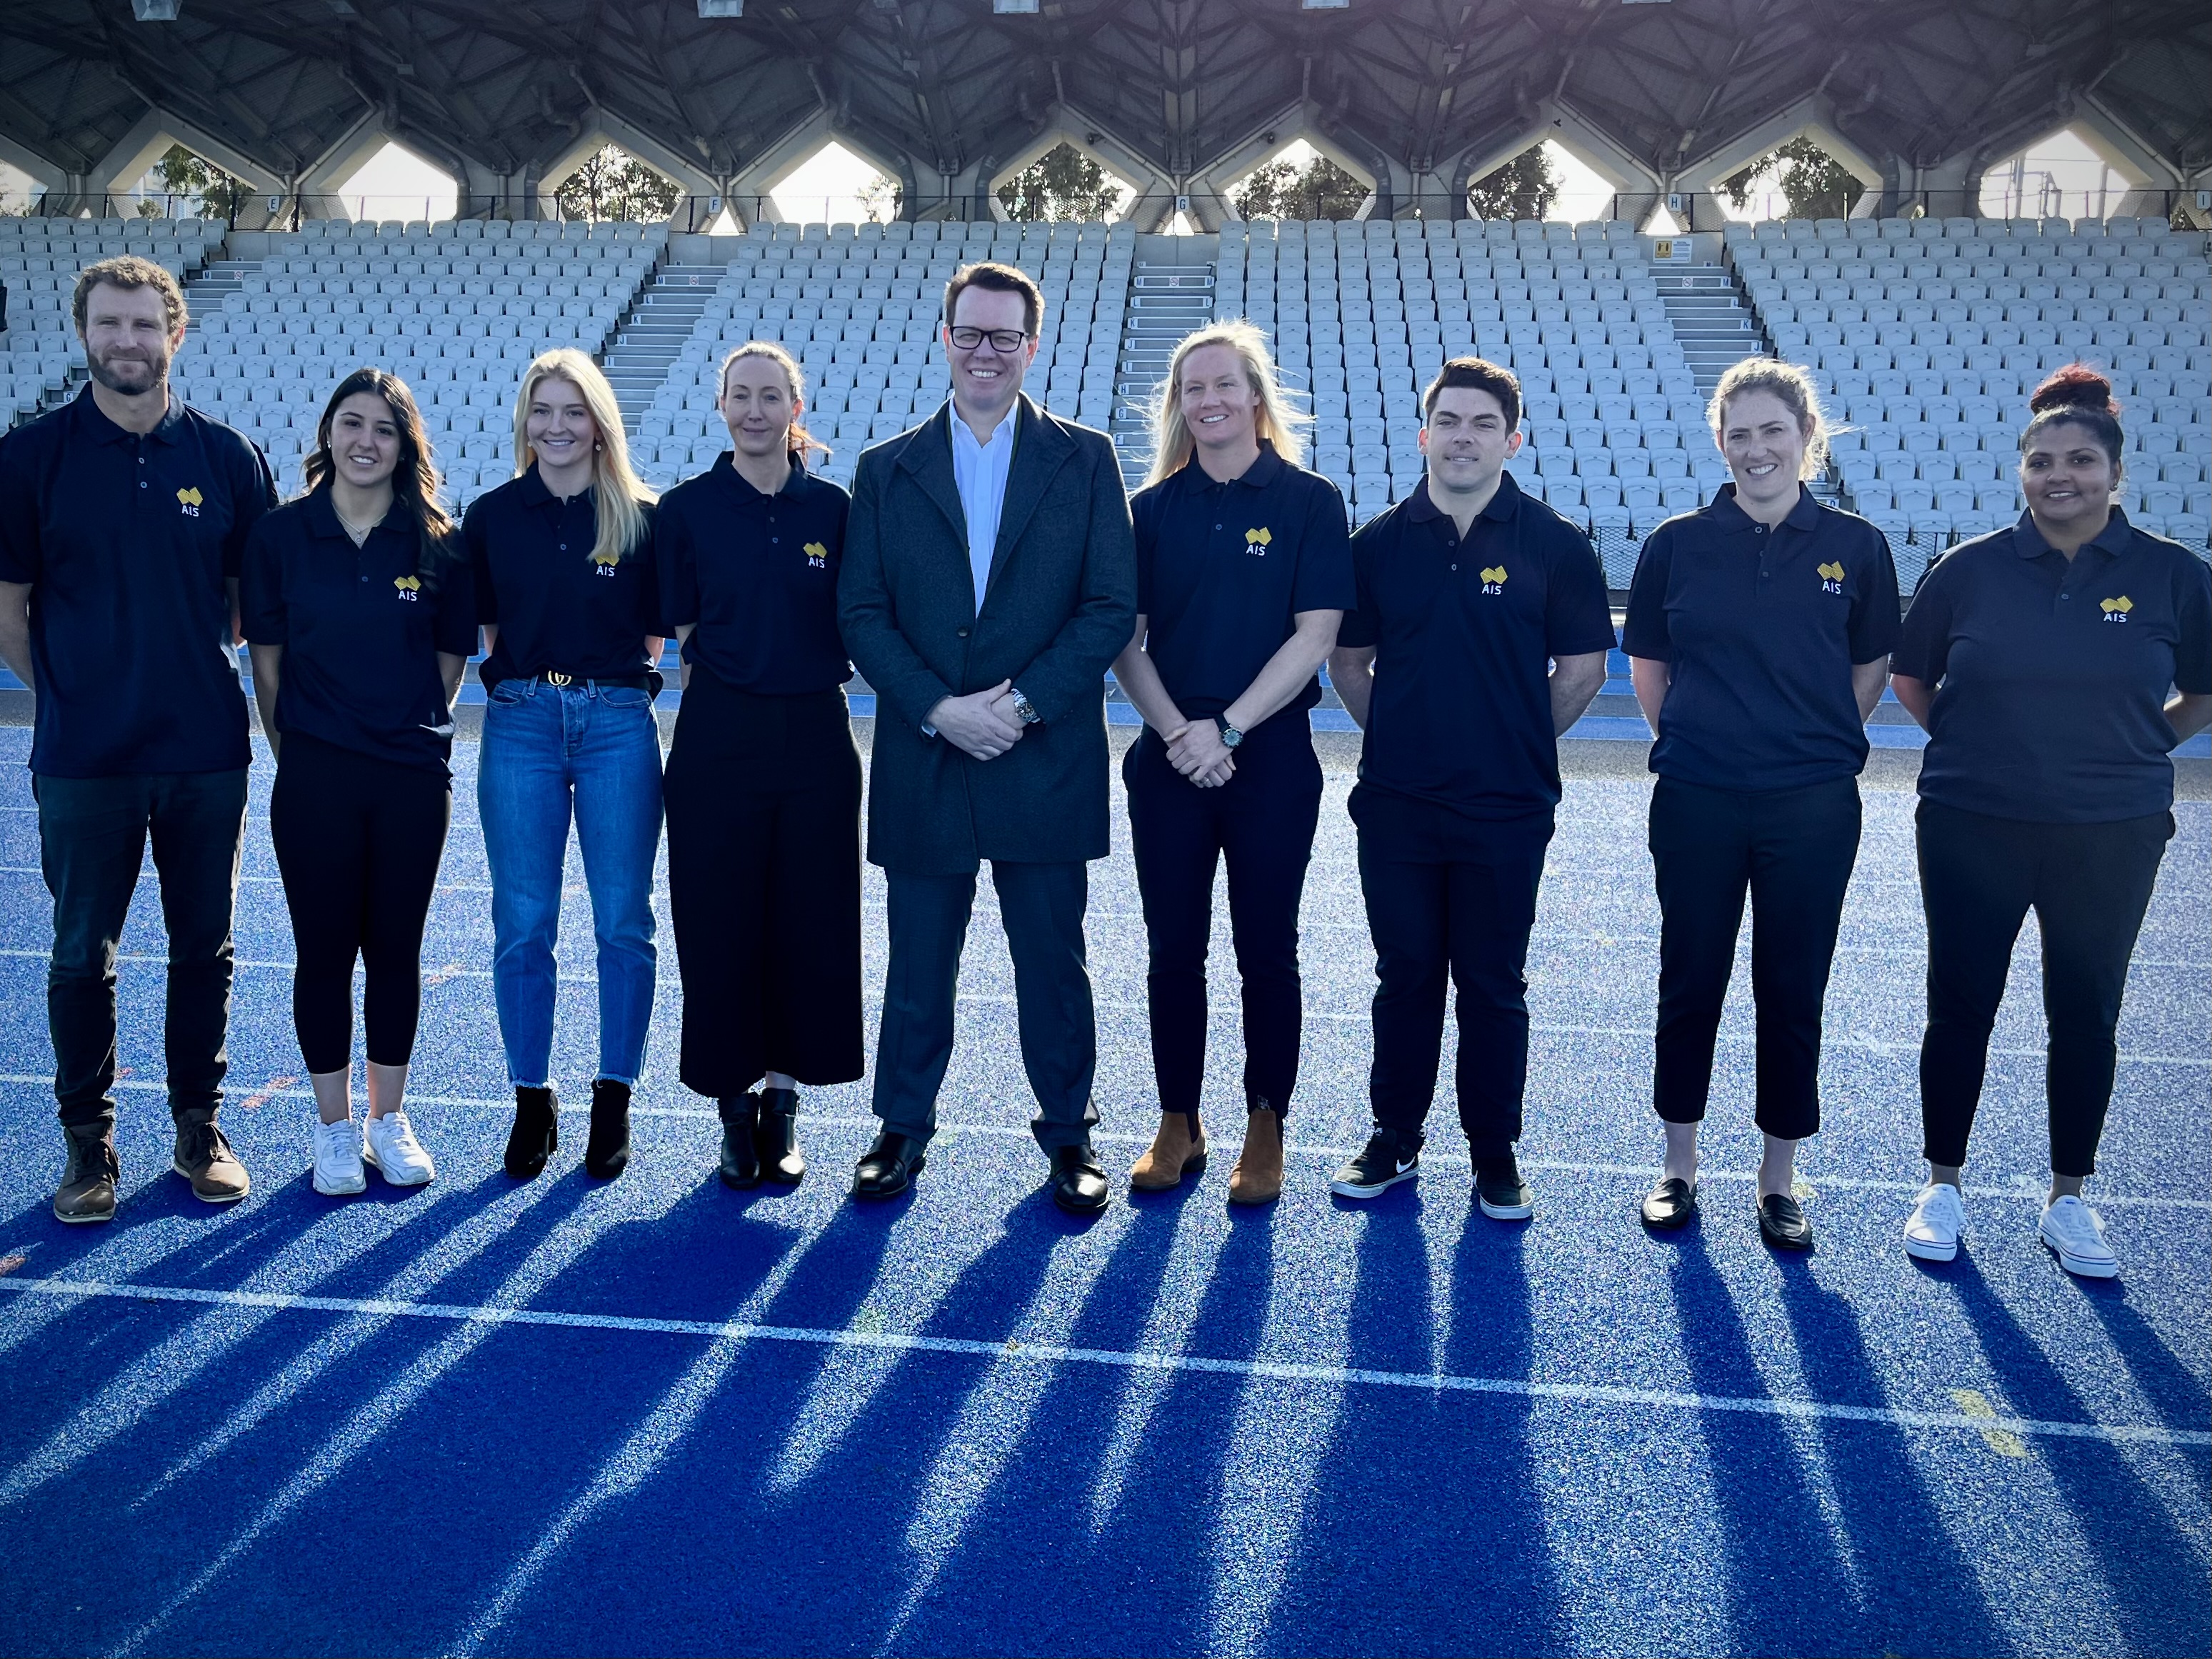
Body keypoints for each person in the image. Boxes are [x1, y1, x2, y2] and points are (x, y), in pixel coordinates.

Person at [1891, 366, 2212, 1279]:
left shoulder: (2173, 575)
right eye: (2040, 461)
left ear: (2114, 470)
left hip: (2110, 830)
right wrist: (1974, 746)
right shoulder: (1968, 568)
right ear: (2020, 470)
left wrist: (2145, 743)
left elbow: (2206, 687)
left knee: (2085, 1012)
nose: (2057, 475)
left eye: (2078, 460)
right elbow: (1914, 681)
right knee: (1960, 1007)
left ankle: (2069, 1197)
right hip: (1970, 821)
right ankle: (1942, 1184)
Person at [838, 261, 1137, 1214]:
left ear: (1030, 347)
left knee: (1052, 960)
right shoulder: (886, 468)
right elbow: (861, 611)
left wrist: (1016, 707)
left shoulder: (1085, 458)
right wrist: (937, 705)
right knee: (918, 958)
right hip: (926, 757)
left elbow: (1108, 606)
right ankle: (901, 1127)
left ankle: (1068, 1132)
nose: (984, 350)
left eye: (1003, 336)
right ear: (944, 338)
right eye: (969, 332)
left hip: (1040, 755)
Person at [0, 256, 274, 1223]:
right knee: (82, 952)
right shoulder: (28, 456)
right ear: (84, 332)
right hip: (85, 758)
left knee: (207, 946)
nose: (127, 341)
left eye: (144, 325)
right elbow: (10, 609)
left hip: (204, 751)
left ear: (176, 334)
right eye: (109, 323)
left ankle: (199, 1128)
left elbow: (249, 606)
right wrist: (78, 692)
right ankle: (88, 1146)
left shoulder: (228, 457)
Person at [1326, 357, 1614, 1214]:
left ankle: (1494, 1150)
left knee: (1493, 982)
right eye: (1448, 421)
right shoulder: (1376, 544)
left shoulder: (1555, 543)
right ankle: (1395, 1139)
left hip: (1506, 807)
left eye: (1483, 423)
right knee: (1404, 973)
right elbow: (1349, 662)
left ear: (1511, 439)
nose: (1463, 436)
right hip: (1398, 805)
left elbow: (1584, 670)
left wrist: (1508, 744)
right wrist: (1407, 740)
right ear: (1423, 435)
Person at [1622, 357, 1898, 1250]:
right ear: (1720, 442)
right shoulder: (1676, 541)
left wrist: (1806, 745)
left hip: (1810, 805)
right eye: (1737, 433)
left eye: (1771, 430)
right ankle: (1677, 1166)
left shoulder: (1856, 547)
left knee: (1791, 987)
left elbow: (1867, 671)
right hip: (1698, 795)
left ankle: (1779, 1179)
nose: (1755, 449)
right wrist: (1706, 744)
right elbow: (1651, 671)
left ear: (1805, 437)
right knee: (1689, 978)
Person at [1113, 322, 1351, 1205]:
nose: (1207, 401)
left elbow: (1315, 635)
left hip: (1270, 762)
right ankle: (1177, 1119)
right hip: (1169, 759)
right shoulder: (1149, 510)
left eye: (1224, 385)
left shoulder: (1308, 501)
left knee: (1266, 950)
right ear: (1176, 405)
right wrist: (1182, 732)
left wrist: (1231, 730)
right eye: (1191, 388)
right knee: (1172, 949)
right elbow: (1125, 643)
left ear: (1257, 395)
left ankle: (1265, 1122)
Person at [241, 369, 473, 1196]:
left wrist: (399, 725)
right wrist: (300, 748)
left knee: (396, 952)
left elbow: (448, 664)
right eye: (351, 423)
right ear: (327, 433)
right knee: (324, 953)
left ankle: (388, 1118)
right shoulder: (280, 537)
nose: (365, 441)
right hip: (316, 777)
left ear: (404, 444)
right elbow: (265, 663)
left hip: (411, 776)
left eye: (383, 428)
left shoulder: (439, 545)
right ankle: (333, 1127)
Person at [658, 342, 862, 1190]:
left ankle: (785, 1107)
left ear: (795, 408)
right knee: (720, 928)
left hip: (817, 737)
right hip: (717, 740)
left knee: (807, 927)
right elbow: (672, 630)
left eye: (769, 395)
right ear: (720, 407)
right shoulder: (685, 509)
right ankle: (733, 1115)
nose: (753, 409)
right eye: (739, 395)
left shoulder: (836, 510)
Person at [466, 349, 663, 1183]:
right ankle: (531, 1098)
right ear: (524, 424)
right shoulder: (491, 516)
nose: (556, 427)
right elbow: (485, 631)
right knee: (524, 925)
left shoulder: (643, 518)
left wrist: (594, 690)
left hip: (618, 720)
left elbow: (654, 639)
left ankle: (612, 1098)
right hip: (521, 724)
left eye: (572, 411)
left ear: (598, 424)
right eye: (541, 411)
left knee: (624, 920)